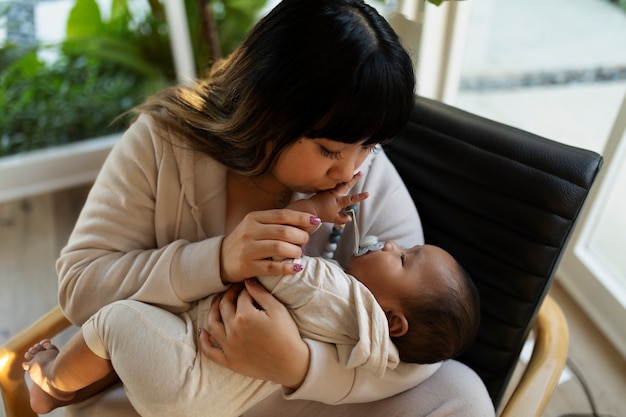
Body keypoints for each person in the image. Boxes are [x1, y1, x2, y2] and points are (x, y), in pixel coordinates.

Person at [54, 0, 495, 415]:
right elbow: (80, 287)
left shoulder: (364, 177)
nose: (351, 170)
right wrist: (217, 260)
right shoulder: (163, 143)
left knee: (462, 393)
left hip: (293, 398)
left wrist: (300, 365)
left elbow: (414, 345)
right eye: (328, 150)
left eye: (369, 147)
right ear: (268, 110)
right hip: (176, 385)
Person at [24, 183, 480, 416]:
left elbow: (270, 263)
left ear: (391, 318)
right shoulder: (373, 349)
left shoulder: (334, 290)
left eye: (402, 258)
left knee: (112, 320)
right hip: (211, 400)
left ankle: (48, 385)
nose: (390, 244)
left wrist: (309, 213)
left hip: (186, 369)